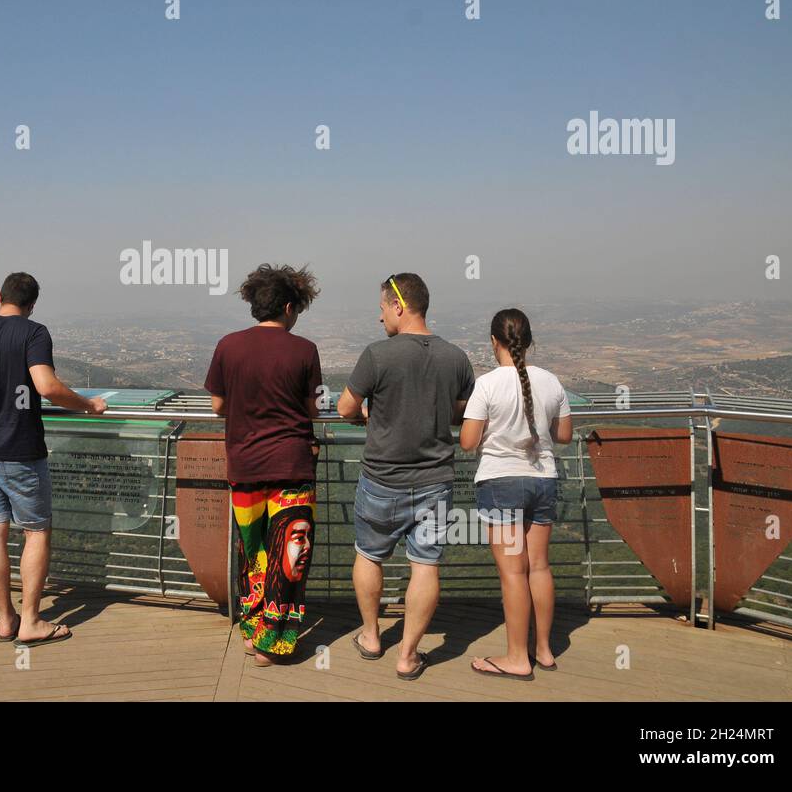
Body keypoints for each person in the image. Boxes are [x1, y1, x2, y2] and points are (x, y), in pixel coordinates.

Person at [0, 273, 106, 648]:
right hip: (20, 452)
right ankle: (31, 620)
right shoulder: (34, 333)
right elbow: (46, 387)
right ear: (32, 304)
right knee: (35, 532)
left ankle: (5, 620)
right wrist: (88, 405)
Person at [337, 273, 474, 679]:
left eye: (382, 309)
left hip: (381, 477)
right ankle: (408, 656)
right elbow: (462, 412)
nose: (380, 319)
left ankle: (371, 636)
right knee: (426, 566)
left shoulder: (378, 355)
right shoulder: (457, 358)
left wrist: (369, 413)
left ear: (398, 306)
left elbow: (346, 408)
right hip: (435, 481)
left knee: (368, 554)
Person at [206, 264, 322, 666]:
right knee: (290, 556)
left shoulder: (228, 345)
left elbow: (218, 405)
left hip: (245, 468)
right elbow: (313, 407)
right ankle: (274, 643)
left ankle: (253, 634)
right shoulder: (304, 350)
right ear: (289, 307)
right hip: (292, 465)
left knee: (252, 553)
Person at [459, 308, 572, 680]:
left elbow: (469, 442)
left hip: (500, 484)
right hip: (543, 480)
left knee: (512, 572)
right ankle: (543, 650)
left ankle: (516, 658)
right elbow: (564, 435)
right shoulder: (552, 382)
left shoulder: (488, 385)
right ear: (529, 340)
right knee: (538, 565)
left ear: (495, 342)